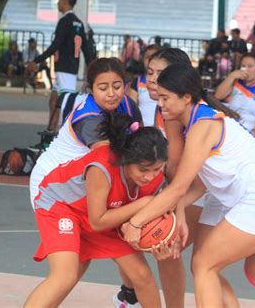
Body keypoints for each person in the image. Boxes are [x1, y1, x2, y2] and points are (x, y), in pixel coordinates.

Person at [122, 63, 255, 307]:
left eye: (167, 98)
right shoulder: (205, 121)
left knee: (204, 264)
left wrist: (136, 223)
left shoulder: (202, 126)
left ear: (187, 97)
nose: (161, 104)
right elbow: (198, 187)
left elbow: (178, 187)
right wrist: (176, 210)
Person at [25, 113, 166, 308]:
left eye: (156, 170)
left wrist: (165, 239)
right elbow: (98, 221)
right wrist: (143, 205)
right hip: (62, 205)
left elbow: (161, 214)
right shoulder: (102, 167)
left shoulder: (156, 181)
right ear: (126, 159)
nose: (150, 176)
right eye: (143, 169)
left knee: (142, 276)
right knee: (65, 276)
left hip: (106, 213)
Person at [113, 48, 203, 308]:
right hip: (192, 187)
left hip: (205, 189)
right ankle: (129, 294)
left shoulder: (174, 112)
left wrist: (177, 214)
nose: (152, 79)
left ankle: (132, 296)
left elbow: (175, 169)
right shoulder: (160, 108)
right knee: (197, 261)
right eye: (149, 72)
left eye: (160, 74)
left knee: (170, 248)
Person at [30, 57, 141, 210]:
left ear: (125, 85)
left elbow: (142, 144)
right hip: (50, 183)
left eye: (117, 86)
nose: (111, 94)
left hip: (78, 182)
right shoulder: (90, 119)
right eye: (103, 88)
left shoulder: (127, 104)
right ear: (91, 90)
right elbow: (108, 161)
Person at [28, 0, 93, 132]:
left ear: (65, 0)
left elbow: (55, 45)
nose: (57, 2)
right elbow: (86, 50)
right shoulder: (79, 23)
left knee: (66, 103)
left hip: (64, 68)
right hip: (70, 67)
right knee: (53, 100)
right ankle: (51, 131)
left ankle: (67, 135)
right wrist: (92, 68)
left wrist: (37, 60)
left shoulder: (64, 21)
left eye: (59, 0)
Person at [214, 52, 255, 142]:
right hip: (234, 126)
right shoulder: (235, 82)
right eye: (243, 66)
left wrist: (254, 131)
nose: (246, 69)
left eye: (250, 66)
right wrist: (232, 76)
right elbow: (218, 96)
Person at [127, 44, 161, 126]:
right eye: (147, 57)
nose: (150, 60)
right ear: (143, 60)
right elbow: (132, 108)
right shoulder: (137, 82)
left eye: (154, 56)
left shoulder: (168, 81)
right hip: (143, 129)